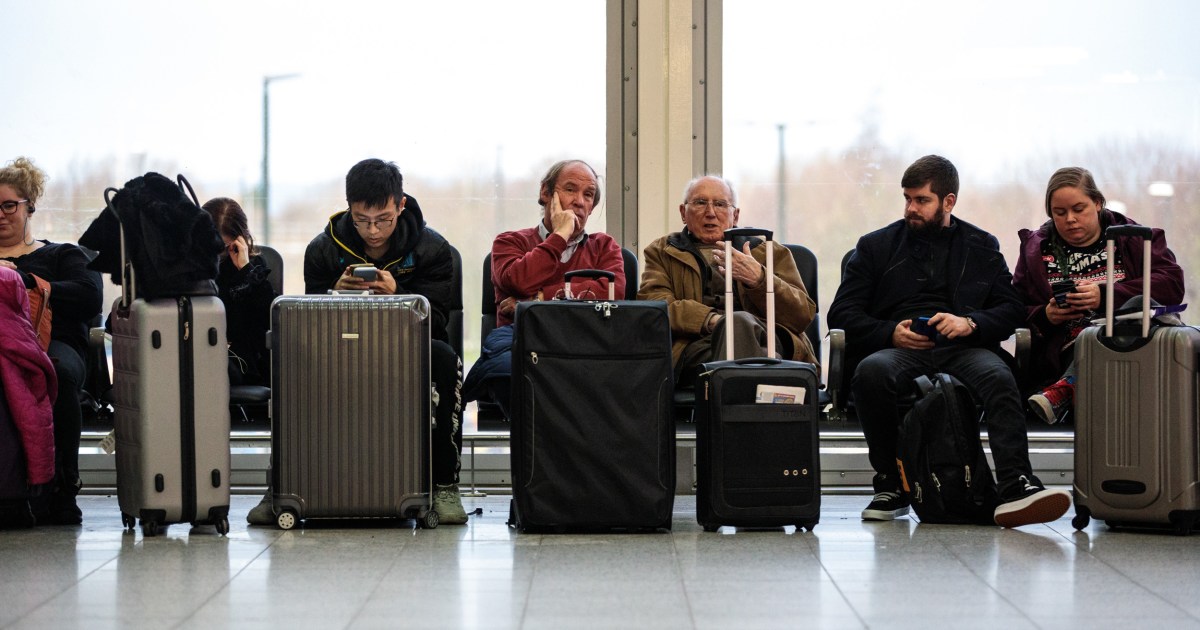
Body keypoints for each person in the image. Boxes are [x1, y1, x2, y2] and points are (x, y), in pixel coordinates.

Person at [827, 155, 1070, 528]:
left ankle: (1017, 485)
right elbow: (841, 313)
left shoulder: (980, 245)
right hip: (899, 348)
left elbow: (1011, 310)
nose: (911, 208)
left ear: (948, 201)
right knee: (871, 373)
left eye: (921, 200)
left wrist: (970, 323)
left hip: (964, 347)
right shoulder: (876, 246)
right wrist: (890, 332)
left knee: (1001, 379)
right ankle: (892, 484)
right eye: (907, 198)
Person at [291, 158, 467, 525]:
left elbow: (435, 322)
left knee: (446, 360)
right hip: (342, 345)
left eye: (383, 219)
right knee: (292, 359)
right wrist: (331, 294)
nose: (372, 231)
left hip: (407, 347)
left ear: (401, 206)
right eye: (362, 219)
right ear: (349, 208)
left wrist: (398, 293)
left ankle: (446, 485)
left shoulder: (433, 250)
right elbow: (307, 320)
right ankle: (285, 480)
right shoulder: (324, 249)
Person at [1013, 167, 1184, 424]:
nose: (1070, 219)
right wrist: (1046, 316)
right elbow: (1013, 308)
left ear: (1098, 203)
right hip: (1065, 347)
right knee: (1090, 343)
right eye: (1060, 213)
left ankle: (1065, 390)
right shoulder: (1035, 250)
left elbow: (1171, 283)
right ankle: (1067, 386)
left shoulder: (1135, 239)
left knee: (1136, 306)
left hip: (1132, 344)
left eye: (1079, 209)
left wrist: (1105, 296)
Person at [463, 159, 623, 419]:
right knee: (507, 371)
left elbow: (612, 291)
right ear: (545, 193)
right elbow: (518, 281)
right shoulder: (509, 242)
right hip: (521, 337)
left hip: (584, 337)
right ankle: (542, 444)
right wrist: (559, 236)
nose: (580, 201)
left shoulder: (604, 247)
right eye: (570, 190)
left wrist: (538, 299)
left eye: (589, 195)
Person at [0, 157, 104, 525]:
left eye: (9, 205)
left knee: (54, 373)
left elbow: (90, 297)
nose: (1, 214)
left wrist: (27, 281)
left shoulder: (60, 254)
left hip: (52, 345)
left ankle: (62, 488)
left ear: (30, 206)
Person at [637, 174, 817, 385]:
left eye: (721, 204)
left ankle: (736, 405)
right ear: (683, 212)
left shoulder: (767, 251)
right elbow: (656, 308)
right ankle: (761, 382)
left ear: (736, 215)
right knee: (749, 340)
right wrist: (712, 320)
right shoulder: (663, 251)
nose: (711, 213)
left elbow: (802, 314)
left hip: (768, 338)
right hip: (700, 348)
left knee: (741, 324)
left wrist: (759, 279)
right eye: (700, 203)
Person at [201, 198, 279, 388]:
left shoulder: (253, 268)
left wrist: (245, 270)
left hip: (241, 358)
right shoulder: (193, 266)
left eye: (223, 248)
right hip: (202, 351)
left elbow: (272, 317)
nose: (217, 256)